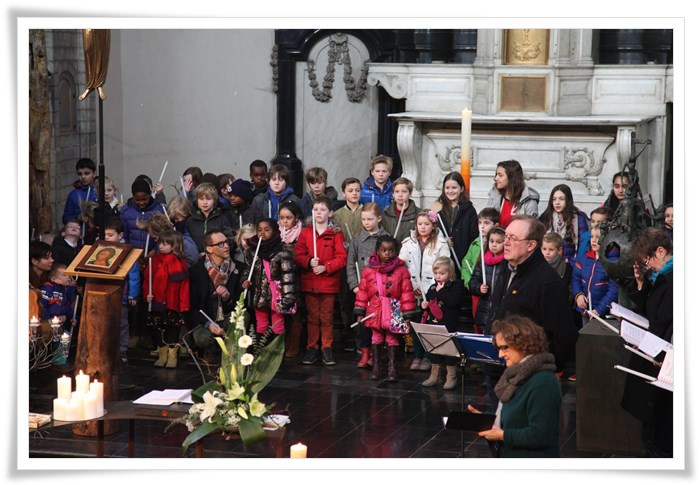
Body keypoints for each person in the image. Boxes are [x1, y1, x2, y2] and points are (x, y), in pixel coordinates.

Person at [482, 216, 578, 407]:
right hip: (498, 368)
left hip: (525, 377)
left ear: (531, 245)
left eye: (513, 238)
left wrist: (541, 369)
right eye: (505, 236)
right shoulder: (508, 268)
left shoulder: (547, 282)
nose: (505, 243)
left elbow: (564, 334)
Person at [468, 315, 562, 458]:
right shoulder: (516, 374)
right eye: (498, 348)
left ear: (523, 344)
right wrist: (489, 425)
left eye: (504, 348)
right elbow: (515, 419)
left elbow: (540, 435)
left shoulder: (543, 383)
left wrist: (502, 435)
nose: (500, 354)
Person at [621, 227, 673, 458]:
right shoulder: (660, 277)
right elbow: (650, 313)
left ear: (660, 251)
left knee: (661, 432)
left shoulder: (672, 279)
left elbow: (662, 321)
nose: (647, 267)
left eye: (647, 261)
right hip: (655, 352)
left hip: (664, 359)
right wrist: (641, 285)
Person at [353, 235, 417, 382]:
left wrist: (407, 315)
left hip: (394, 307)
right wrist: (360, 310)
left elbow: (406, 293)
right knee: (376, 337)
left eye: (391, 250)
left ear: (395, 252)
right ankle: (376, 367)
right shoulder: (369, 270)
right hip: (375, 307)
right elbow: (362, 292)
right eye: (383, 250)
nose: (387, 253)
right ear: (377, 251)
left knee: (392, 337)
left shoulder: (401, 271)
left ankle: (392, 368)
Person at [294, 196, 347, 366]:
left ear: (330, 213)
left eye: (322, 209)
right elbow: (298, 255)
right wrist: (309, 262)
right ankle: (312, 347)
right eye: (316, 209)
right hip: (310, 281)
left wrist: (326, 267)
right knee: (312, 317)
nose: (319, 213)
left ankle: (326, 347)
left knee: (326, 317)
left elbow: (342, 257)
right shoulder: (306, 233)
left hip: (328, 282)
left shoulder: (336, 234)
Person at [398, 210, 450, 371]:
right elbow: (401, 266)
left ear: (434, 226)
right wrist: (412, 287)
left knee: (429, 324)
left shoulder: (441, 244)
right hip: (412, 291)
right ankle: (418, 355)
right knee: (415, 323)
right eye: (420, 224)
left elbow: (445, 266)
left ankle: (429, 357)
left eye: (426, 224)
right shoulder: (408, 243)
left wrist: (431, 288)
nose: (423, 227)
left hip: (432, 291)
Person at [346, 202, 390, 368]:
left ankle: (377, 353)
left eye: (369, 219)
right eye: (363, 219)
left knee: (378, 323)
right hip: (363, 290)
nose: (366, 222)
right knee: (363, 321)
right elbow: (350, 263)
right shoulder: (358, 239)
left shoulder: (386, 239)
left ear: (378, 218)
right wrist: (355, 285)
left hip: (380, 289)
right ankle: (364, 353)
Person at [190, 230, 242, 364]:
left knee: (242, 318)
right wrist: (208, 324)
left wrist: (228, 297)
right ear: (209, 248)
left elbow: (241, 302)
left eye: (226, 242)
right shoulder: (197, 270)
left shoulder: (238, 268)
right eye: (220, 244)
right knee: (202, 338)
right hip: (206, 318)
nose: (226, 246)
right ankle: (211, 348)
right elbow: (192, 306)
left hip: (226, 315)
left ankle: (231, 350)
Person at [142, 230, 190, 368]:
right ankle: (162, 354)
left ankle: (172, 356)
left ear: (174, 245)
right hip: (156, 301)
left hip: (172, 303)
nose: (161, 246)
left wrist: (183, 304)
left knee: (172, 330)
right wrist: (147, 295)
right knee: (158, 329)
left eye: (165, 244)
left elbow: (184, 286)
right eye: (160, 243)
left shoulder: (179, 263)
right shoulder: (154, 261)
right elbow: (147, 280)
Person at [241, 219, 296, 337]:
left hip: (276, 297)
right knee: (261, 325)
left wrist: (288, 297)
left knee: (278, 325)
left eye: (267, 230)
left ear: (274, 231)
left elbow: (288, 277)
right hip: (259, 295)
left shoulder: (282, 252)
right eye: (259, 230)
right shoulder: (251, 251)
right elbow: (247, 270)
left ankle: (277, 352)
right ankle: (261, 353)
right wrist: (244, 281)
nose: (262, 233)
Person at [420, 257, 465, 390]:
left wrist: (441, 292)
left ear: (449, 273)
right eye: (436, 273)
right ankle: (435, 375)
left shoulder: (456, 286)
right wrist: (425, 305)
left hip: (449, 324)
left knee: (450, 351)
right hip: (434, 324)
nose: (438, 276)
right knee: (434, 349)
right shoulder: (433, 287)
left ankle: (451, 376)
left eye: (442, 273)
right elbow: (429, 299)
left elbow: (452, 302)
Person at [333, 177, 364, 353]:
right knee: (345, 300)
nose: (354, 193)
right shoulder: (338, 215)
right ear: (344, 193)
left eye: (357, 190)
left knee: (361, 300)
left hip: (362, 263)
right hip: (345, 263)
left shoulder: (365, 211)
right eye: (350, 190)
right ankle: (348, 333)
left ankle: (361, 334)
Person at [104, 218, 140, 364]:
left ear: (120, 235)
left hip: (122, 295)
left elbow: (134, 275)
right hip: (106, 294)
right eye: (105, 235)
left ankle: (122, 350)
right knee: (107, 323)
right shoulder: (101, 249)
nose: (107, 237)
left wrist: (133, 294)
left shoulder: (127, 252)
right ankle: (107, 350)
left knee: (122, 324)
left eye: (110, 235)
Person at [429, 172, 479, 269]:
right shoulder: (438, 208)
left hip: (463, 257)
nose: (450, 191)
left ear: (462, 189)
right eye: (447, 188)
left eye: (454, 188)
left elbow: (473, 236)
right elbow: (431, 232)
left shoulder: (469, 210)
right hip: (442, 257)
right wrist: (442, 240)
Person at [571, 225, 618, 323]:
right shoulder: (583, 258)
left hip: (604, 314)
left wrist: (599, 310)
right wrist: (578, 295)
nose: (593, 240)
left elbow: (614, 290)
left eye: (598, 237)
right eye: (592, 236)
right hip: (585, 311)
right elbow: (576, 278)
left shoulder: (612, 262)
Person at [277, 201, 304, 357]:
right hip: (280, 278)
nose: (285, 221)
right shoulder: (276, 233)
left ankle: (294, 345)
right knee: (282, 312)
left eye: (288, 217)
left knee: (296, 312)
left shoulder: (302, 233)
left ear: (296, 218)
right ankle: (282, 343)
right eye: (282, 218)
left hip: (297, 277)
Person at [539, 184, 589, 265]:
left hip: (569, 265)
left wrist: (572, 262)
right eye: (554, 199)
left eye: (561, 199)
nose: (557, 202)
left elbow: (584, 245)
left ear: (568, 200)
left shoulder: (578, 218)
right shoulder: (545, 217)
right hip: (546, 265)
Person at [468, 227, 506, 332]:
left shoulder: (507, 262)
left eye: (499, 242)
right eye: (491, 241)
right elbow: (472, 282)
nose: (494, 244)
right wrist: (478, 287)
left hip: (501, 310)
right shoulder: (482, 261)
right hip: (485, 308)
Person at [39, 264, 77, 366]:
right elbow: (42, 305)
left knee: (66, 336)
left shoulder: (64, 290)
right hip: (47, 321)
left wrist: (70, 318)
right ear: (54, 278)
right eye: (64, 275)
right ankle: (57, 362)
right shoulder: (48, 287)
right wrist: (48, 320)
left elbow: (67, 307)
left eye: (69, 275)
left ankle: (60, 361)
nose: (68, 278)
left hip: (59, 322)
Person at [485, 160, 539, 227]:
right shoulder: (494, 195)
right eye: (496, 174)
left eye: (500, 175)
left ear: (512, 178)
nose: (496, 178)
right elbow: (486, 222)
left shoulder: (529, 200)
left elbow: (532, 229)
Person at [185, 182, 235, 255]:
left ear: (214, 200)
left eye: (208, 199)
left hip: (218, 257)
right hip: (198, 260)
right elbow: (188, 242)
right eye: (201, 199)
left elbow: (230, 240)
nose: (205, 202)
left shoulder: (222, 219)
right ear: (197, 200)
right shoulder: (191, 221)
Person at [120, 178, 166, 252]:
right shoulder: (126, 211)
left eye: (145, 199)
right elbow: (124, 235)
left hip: (153, 254)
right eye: (137, 200)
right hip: (131, 253)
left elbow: (163, 235)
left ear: (150, 194)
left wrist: (155, 250)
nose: (141, 202)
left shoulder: (159, 210)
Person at [381, 177, 421, 252]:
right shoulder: (385, 214)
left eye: (404, 191)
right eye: (397, 191)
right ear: (393, 194)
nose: (400, 195)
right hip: (389, 256)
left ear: (410, 194)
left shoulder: (419, 214)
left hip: (410, 256)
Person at [62, 158, 98, 225]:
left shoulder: (103, 191)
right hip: (80, 231)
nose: (83, 177)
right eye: (80, 174)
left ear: (94, 173)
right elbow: (66, 219)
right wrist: (78, 217)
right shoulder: (73, 195)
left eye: (87, 173)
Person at [30, 241, 54, 320]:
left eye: (51, 257)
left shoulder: (50, 278)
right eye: (47, 258)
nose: (52, 260)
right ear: (34, 261)